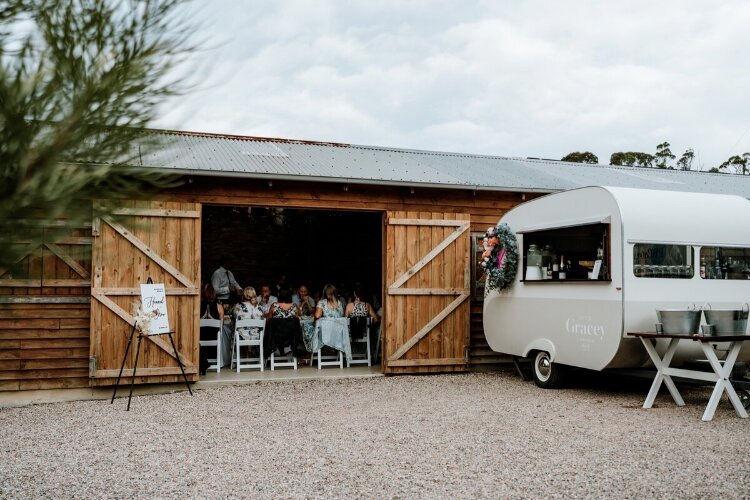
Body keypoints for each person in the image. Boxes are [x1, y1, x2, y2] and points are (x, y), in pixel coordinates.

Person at [199, 283, 224, 375]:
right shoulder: (219, 306)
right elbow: (221, 324)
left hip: (200, 338)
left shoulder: (198, 305)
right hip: (214, 338)